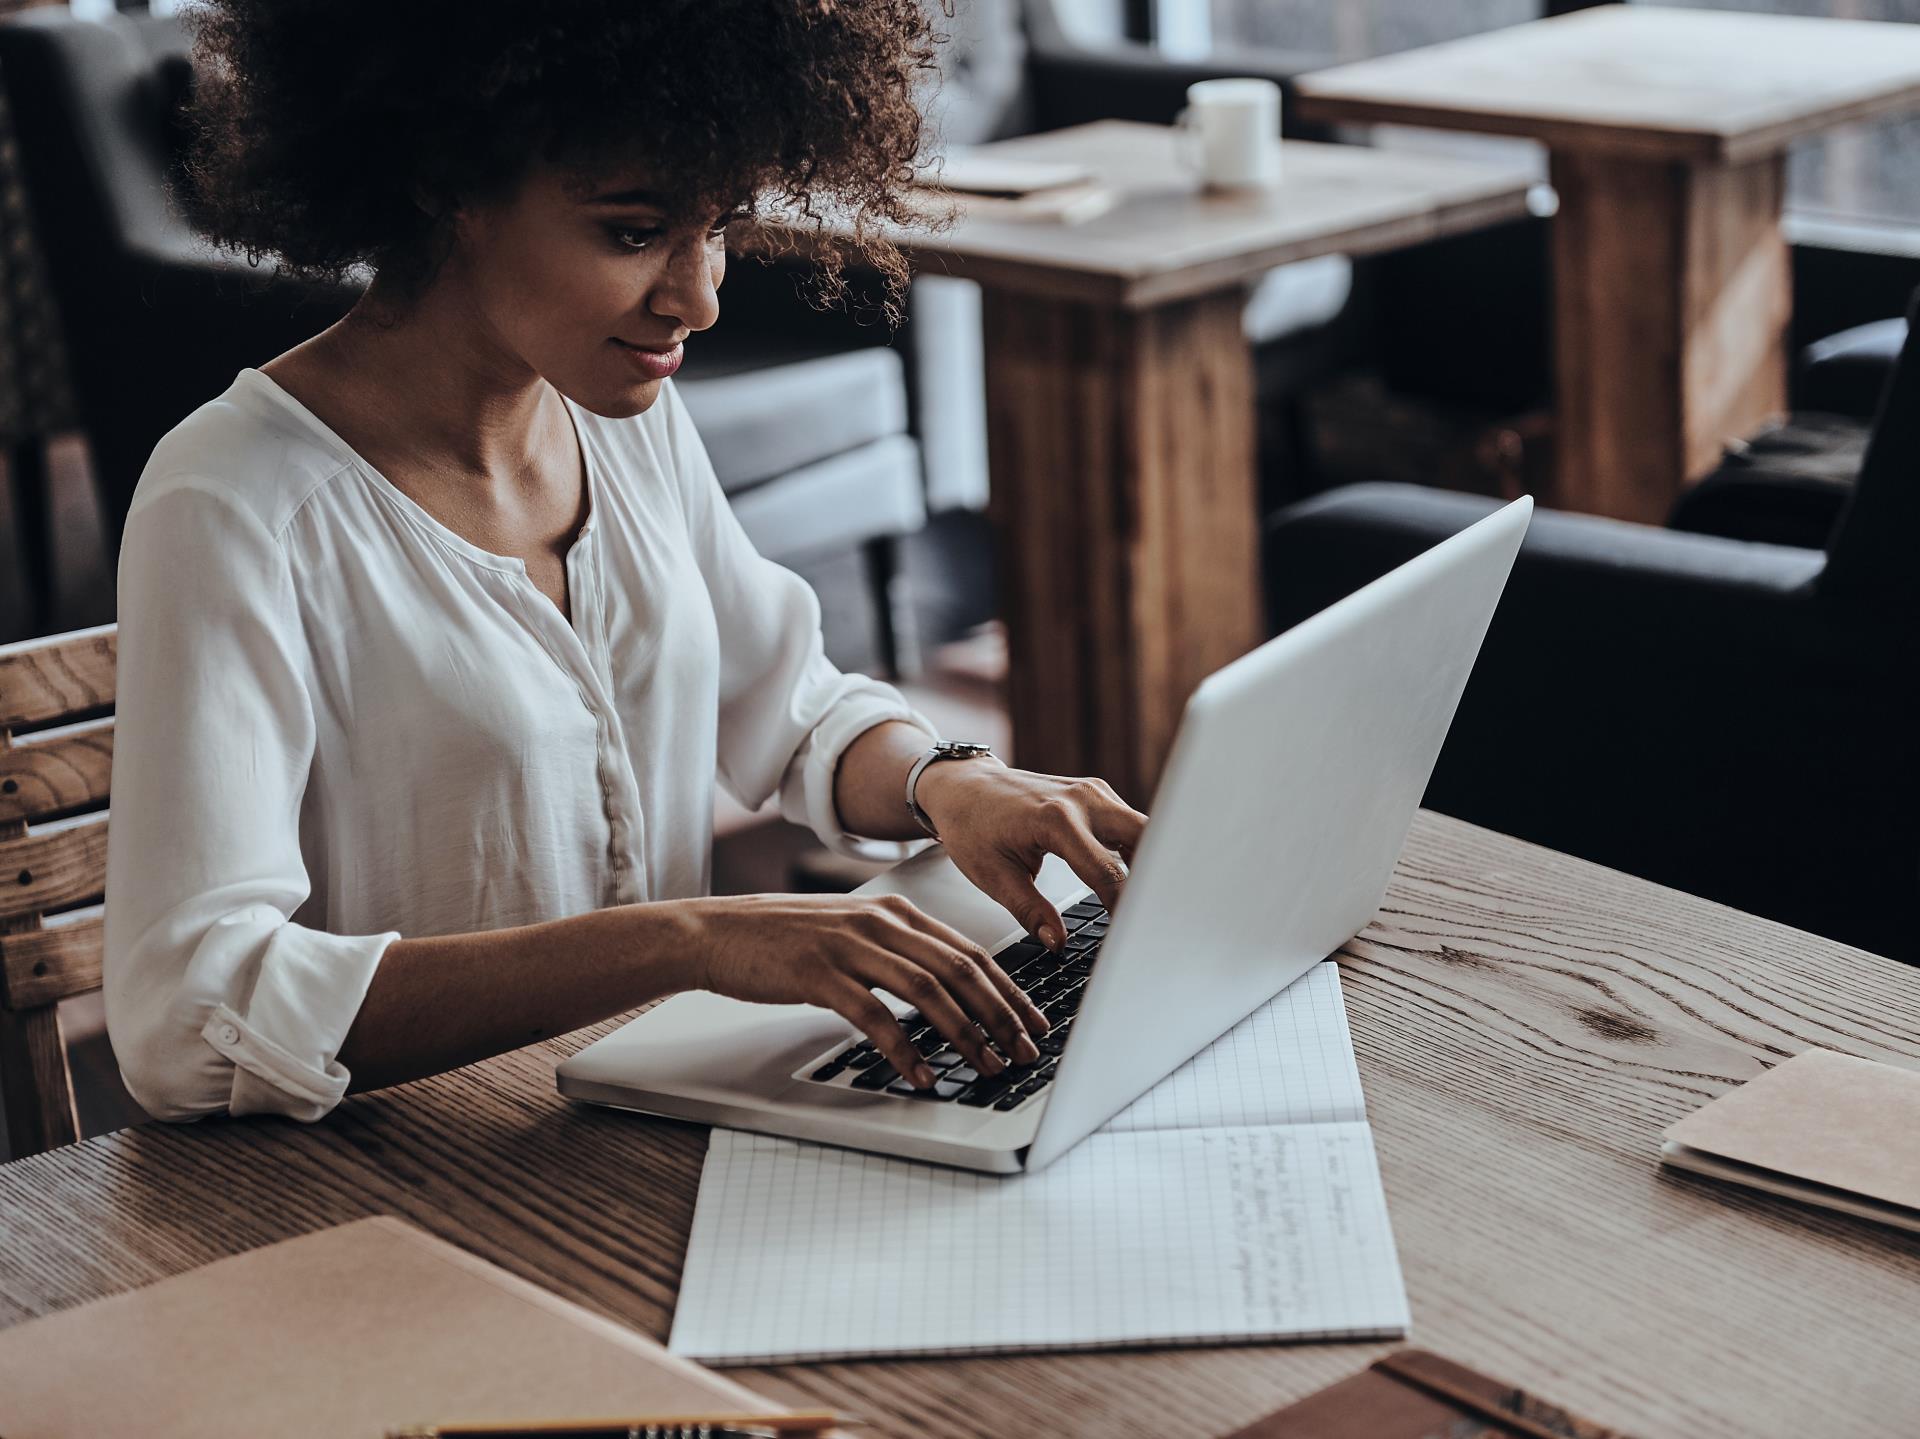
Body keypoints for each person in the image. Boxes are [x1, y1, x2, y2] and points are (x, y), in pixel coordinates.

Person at [103, 0, 1146, 1126]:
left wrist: (949, 779)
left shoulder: (621, 411)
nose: (698, 296)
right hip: (403, 1187)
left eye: (720, 226)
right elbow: (184, 1013)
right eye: (634, 232)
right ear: (443, 179)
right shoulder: (234, 502)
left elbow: (787, 706)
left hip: (646, 1117)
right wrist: (687, 940)